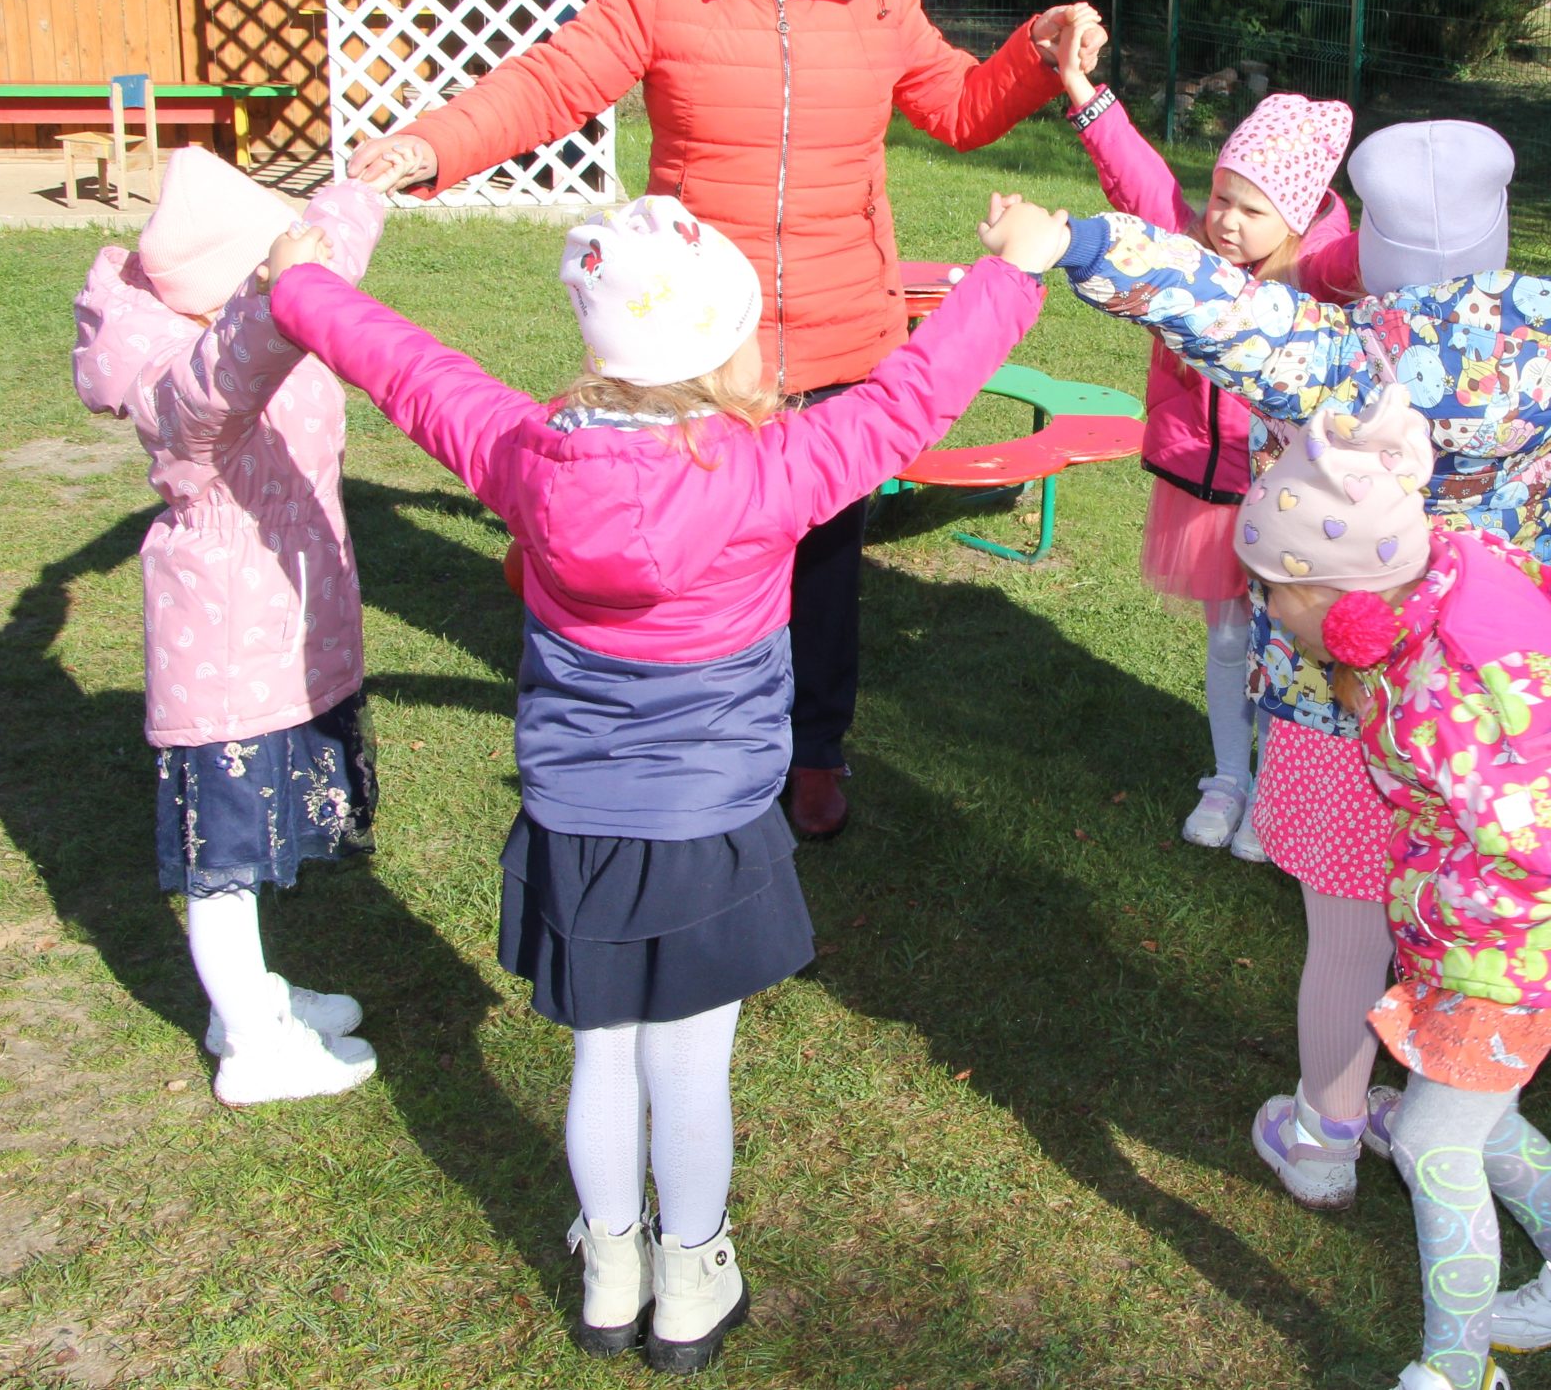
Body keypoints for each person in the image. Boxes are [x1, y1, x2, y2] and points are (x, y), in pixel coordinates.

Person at [263, 191, 1059, 1370]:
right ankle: (690, 1281)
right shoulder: (772, 469)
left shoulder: (524, 453)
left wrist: (301, 284)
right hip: (707, 824)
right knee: (686, 1064)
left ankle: (610, 1272)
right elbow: (907, 401)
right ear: (723, 343)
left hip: (576, 818)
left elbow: (411, 372)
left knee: (603, 1053)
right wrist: (1012, 273)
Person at [995, 129, 1551, 1207]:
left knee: (1343, 939)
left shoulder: (1323, 347)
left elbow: (1196, 293)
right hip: (1490, 711)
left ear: (1374, 240)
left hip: (1336, 703)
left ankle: (1325, 1136)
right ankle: (1438, 1113)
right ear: (1497, 227)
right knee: (1462, 930)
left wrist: (1075, 240)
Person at [344, 0, 1099, 844]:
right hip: (694, 342)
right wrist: (433, 144)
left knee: (823, 569)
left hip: (840, 328)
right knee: (683, 552)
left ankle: (815, 751)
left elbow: (961, 107)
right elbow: (552, 83)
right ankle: (668, 736)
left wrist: (1035, 51)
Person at [1249, 389, 1551, 1390]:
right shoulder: (1436, 591)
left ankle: (1457, 1368)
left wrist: (1431, 914)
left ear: (1337, 596)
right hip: (1531, 936)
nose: (1267, 613)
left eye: (1274, 594)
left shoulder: (1454, 689)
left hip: (1516, 949)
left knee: (1432, 1144)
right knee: (1484, 1123)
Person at [70, 147, 387, 1107]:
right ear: (239, 285)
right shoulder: (187, 391)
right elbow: (229, 370)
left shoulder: (247, 308)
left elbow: (319, 264)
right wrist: (274, 290)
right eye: (271, 273)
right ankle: (251, 1043)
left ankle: (245, 997)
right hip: (226, 661)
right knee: (224, 865)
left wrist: (373, 182)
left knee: (255, 841)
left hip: (282, 641)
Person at [1052, 26, 1355, 856]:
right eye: (1221, 196)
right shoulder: (1185, 251)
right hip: (1207, 489)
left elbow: (1383, 265)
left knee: (1286, 644)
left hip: (1290, 496)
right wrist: (1080, 87)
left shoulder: (1323, 280)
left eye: (1251, 210)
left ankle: (1277, 789)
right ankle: (1229, 777)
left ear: (1296, 218)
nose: (1224, 220)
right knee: (1227, 639)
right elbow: (1139, 177)